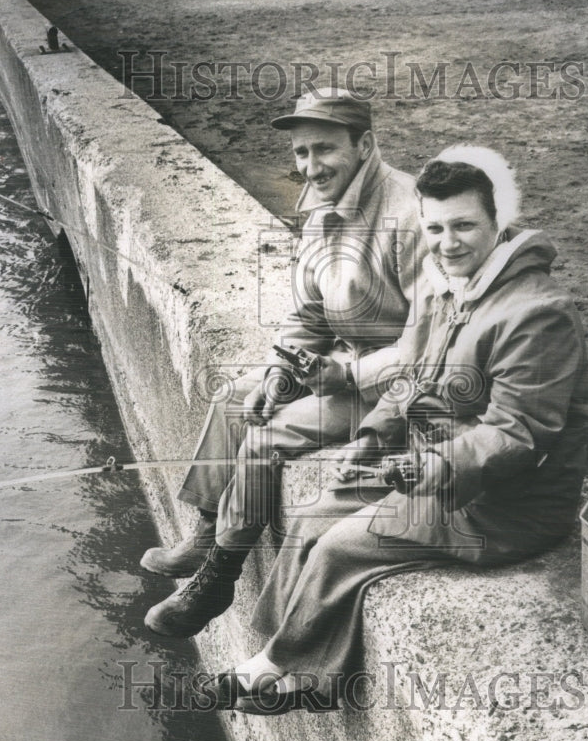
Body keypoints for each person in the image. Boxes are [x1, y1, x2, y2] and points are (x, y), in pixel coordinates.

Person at [203, 146, 588, 714]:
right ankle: (293, 661)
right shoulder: (445, 287)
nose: (448, 242)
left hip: (503, 505)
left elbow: (519, 433)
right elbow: (412, 379)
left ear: (497, 224)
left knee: (341, 546)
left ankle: (276, 670)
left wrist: (434, 466)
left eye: (464, 225)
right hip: (423, 471)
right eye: (435, 228)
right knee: (313, 515)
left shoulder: (538, 314)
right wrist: (371, 437)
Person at [143, 88, 425, 638]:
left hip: (396, 391)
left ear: (365, 144)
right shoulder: (324, 208)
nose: (310, 166)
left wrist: (347, 375)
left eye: (324, 149)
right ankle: (205, 532)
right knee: (234, 401)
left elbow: (428, 342)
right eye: (300, 153)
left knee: (266, 437)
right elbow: (311, 317)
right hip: (342, 363)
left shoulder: (409, 216)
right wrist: (281, 371)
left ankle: (218, 576)